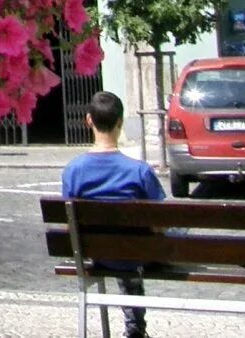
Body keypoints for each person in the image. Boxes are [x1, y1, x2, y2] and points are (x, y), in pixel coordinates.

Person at [60, 89, 166, 338]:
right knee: (137, 244)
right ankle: (135, 329)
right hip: (138, 253)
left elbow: (69, 226)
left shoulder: (73, 170)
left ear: (88, 121)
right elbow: (161, 224)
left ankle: (135, 328)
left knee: (119, 244)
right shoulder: (139, 171)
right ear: (120, 122)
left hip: (95, 252)